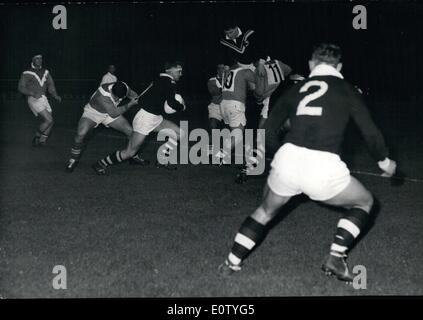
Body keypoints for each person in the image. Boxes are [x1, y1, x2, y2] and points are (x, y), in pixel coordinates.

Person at [218, 43, 397, 282]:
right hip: (323, 166)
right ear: (339, 67)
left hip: (287, 160)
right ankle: (336, 256)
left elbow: (269, 129)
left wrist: (281, 154)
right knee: (364, 202)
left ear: (312, 65)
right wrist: (384, 161)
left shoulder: (297, 88)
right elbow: (371, 133)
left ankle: (231, 263)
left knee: (264, 212)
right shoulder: (346, 89)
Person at [92, 61, 186, 175]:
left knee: (179, 134)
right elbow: (172, 103)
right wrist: (182, 106)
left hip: (154, 117)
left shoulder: (160, 79)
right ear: (170, 70)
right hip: (145, 119)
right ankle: (101, 163)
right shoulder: (169, 82)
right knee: (130, 152)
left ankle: (162, 160)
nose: (180, 74)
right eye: (179, 71)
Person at [65, 81, 148, 172]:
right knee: (81, 133)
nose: (116, 99)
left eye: (119, 98)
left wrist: (137, 99)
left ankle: (133, 156)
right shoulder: (103, 95)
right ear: (111, 90)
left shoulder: (125, 87)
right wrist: (130, 104)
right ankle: (73, 160)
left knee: (131, 132)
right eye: (115, 96)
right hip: (94, 113)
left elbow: (133, 95)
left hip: (110, 112)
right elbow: (114, 113)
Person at [217, 59, 266, 168]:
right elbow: (258, 82)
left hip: (224, 103)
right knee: (238, 135)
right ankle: (221, 154)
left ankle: (224, 158)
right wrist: (258, 68)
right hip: (235, 104)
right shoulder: (244, 72)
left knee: (233, 132)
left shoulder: (229, 71)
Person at [18, 54, 61, 147]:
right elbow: (21, 87)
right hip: (33, 99)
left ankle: (42, 141)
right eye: (37, 59)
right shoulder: (27, 72)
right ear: (33, 60)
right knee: (49, 120)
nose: (40, 60)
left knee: (51, 122)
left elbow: (51, 86)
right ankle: (36, 137)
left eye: (41, 59)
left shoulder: (46, 72)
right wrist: (32, 93)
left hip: (44, 99)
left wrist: (55, 95)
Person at [206, 64, 226, 155]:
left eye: (225, 69)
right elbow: (216, 95)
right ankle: (210, 151)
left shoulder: (231, 79)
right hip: (216, 106)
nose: (223, 71)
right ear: (217, 70)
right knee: (213, 125)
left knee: (231, 130)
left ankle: (224, 151)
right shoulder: (212, 80)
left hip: (229, 106)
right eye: (221, 69)